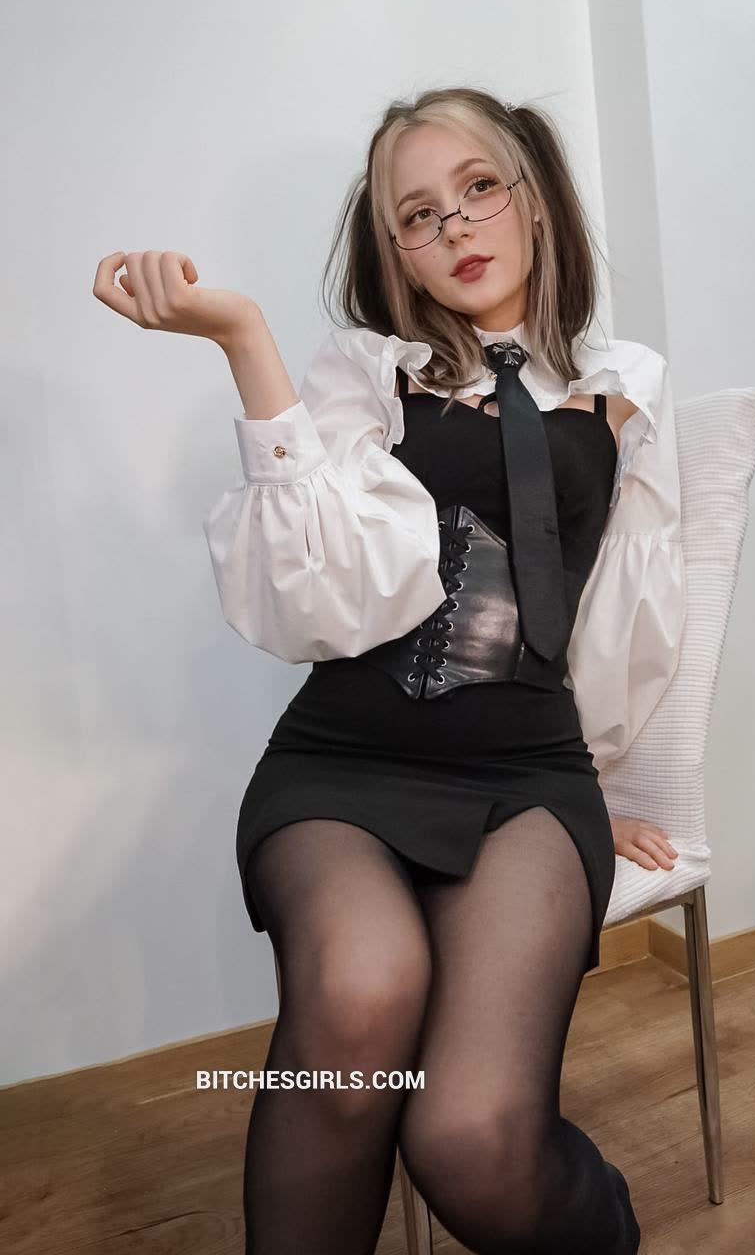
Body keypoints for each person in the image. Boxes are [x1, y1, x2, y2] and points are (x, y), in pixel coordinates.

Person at [93, 85, 685, 1255]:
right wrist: (245, 342)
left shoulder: (624, 383)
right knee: (360, 997)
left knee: (470, 1135)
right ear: (394, 252)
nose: (455, 227)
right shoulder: (366, 374)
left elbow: (622, 609)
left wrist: (601, 782)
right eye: (418, 215)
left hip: (526, 775)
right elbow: (314, 601)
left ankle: (601, 1230)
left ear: (534, 200)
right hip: (343, 761)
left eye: (479, 188)